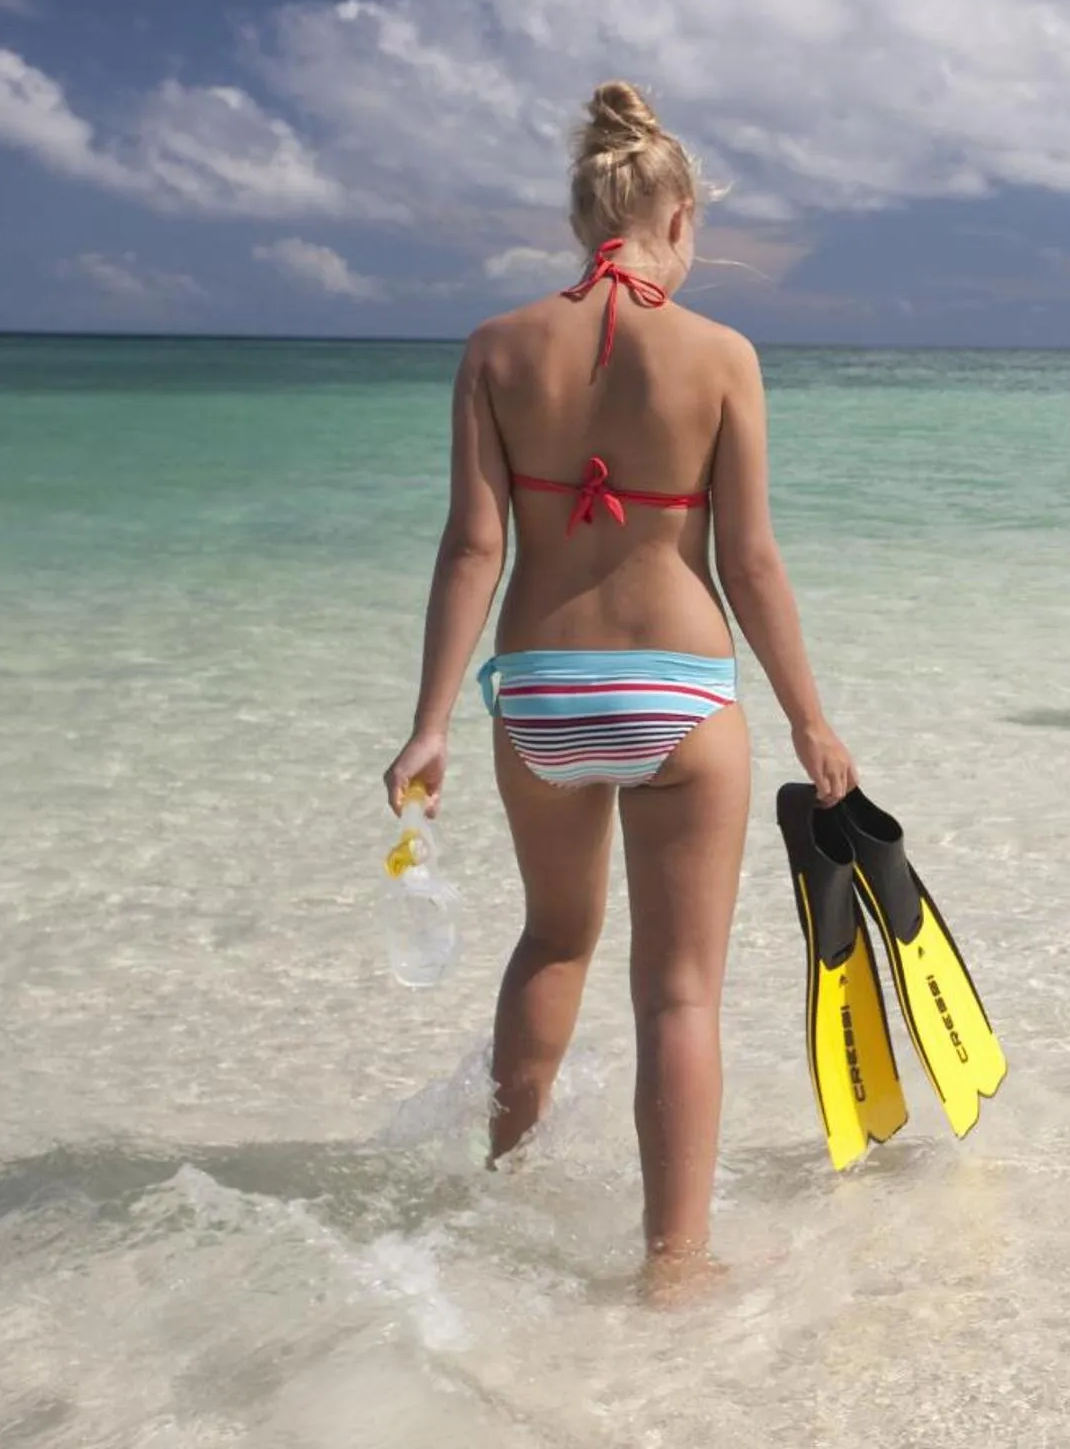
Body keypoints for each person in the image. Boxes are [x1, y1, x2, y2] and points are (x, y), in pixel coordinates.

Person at [381, 81, 856, 1293]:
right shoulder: (721, 357)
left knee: (552, 936)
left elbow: (472, 548)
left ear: (580, 211)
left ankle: (503, 1197)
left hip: (535, 694)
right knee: (678, 993)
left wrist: (431, 722)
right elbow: (747, 558)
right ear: (680, 217)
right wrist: (810, 718)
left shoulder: (495, 348)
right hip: (683, 697)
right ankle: (675, 1265)